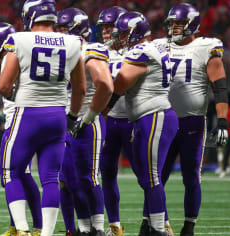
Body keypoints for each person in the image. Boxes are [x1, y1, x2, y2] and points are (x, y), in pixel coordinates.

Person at [0, 0, 86, 235]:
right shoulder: (73, 41)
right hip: (58, 114)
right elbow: (80, 90)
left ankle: (24, 230)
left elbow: (3, 86)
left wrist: (18, 93)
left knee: (10, 172)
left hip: (27, 113)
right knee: (50, 178)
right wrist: (72, 116)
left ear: (30, 16)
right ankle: (46, 233)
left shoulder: (19, 39)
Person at [157, 4, 229, 236]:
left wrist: (222, 121)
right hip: (162, 121)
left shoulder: (206, 46)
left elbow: (220, 87)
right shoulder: (159, 46)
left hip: (192, 123)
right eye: (172, 23)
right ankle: (158, 223)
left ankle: (189, 226)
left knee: (191, 177)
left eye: (179, 23)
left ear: (193, 23)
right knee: (155, 177)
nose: (174, 27)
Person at [104, 12, 178, 236]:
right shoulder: (157, 47)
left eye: (126, 33)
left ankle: (158, 228)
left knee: (151, 176)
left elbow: (120, 85)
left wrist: (99, 111)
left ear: (136, 32)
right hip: (152, 115)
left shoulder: (140, 50)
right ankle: (154, 225)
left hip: (154, 115)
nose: (122, 38)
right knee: (149, 176)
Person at [56, 7, 113, 236]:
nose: (59, 33)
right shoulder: (59, 52)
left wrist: (90, 115)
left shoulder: (89, 50)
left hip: (85, 122)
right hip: (64, 122)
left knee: (88, 177)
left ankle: (99, 229)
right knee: (68, 180)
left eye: (63, 28)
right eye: (57, 28)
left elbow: (105, 85)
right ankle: (83, 229)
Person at [0, 22, 42, 236]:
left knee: (16, 174)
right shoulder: (19, 54)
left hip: (20, 122)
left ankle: (33, 226)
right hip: (17, 120)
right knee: (16, 175)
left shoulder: (15, 56)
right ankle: (18, 225)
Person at [96, 6, 131, 236]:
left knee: (149, 176)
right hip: (107, 121)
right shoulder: (98, 52)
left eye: (111, 27)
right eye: (104, 28)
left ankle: (160, 222)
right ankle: (114, 226)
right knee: (106, 174)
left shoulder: (138, 51)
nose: (106, 32)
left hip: (133, 120)